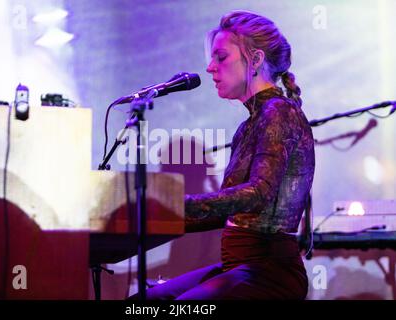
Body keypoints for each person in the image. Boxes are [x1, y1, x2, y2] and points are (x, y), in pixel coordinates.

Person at [132, 10, 315, 300]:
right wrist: (152, 219)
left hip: (270, 272)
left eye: (221, 57)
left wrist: (176, 205)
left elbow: (258, 192)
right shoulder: (251, 123)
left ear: (255, 60)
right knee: (143, 303)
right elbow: (232, 211)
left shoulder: (279, 112)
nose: (210, 68)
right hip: (242, 268)